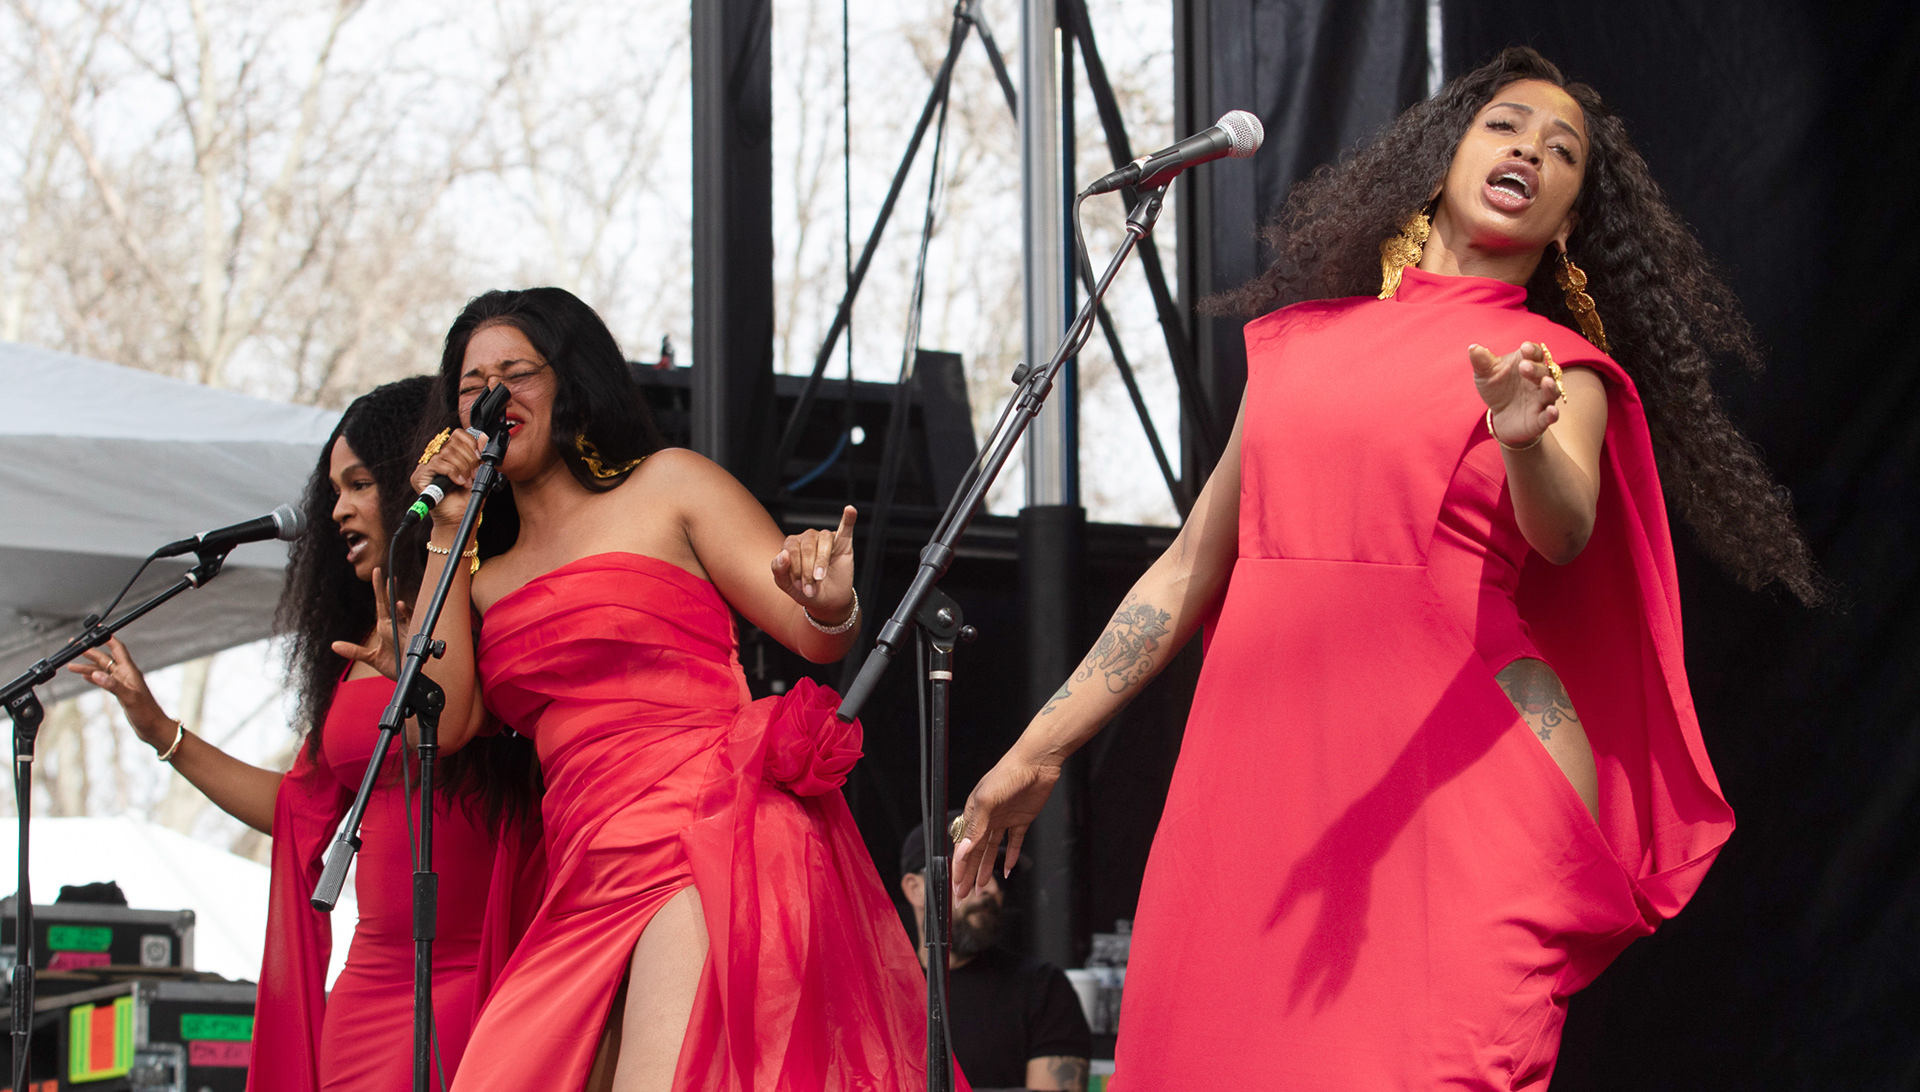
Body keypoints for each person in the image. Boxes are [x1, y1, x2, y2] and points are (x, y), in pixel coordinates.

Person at [951, 47, 1821, 1090]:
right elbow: (1190, 564)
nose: (1530, 152)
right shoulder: (1300, 349)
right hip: (1261, 788)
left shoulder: (1556, 370)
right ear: (1444, 153)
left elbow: (1566, 531)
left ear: (1571, 226)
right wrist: (1041, 746)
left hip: (1463, 786)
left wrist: (1524, 437)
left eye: (1562, 154)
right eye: (1505, 126)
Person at [403, 287, 928, 1092]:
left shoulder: (668, 487)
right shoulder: (480, 575)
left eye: (516, 373)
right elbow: (433, 725)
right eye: (472, 385)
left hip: (704, 832)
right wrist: (448, 532)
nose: (493, 396)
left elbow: (812, 629)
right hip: (583, 867)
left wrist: (831, 602)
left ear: (572, 381)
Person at [70, 377, 542, 1091]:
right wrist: (158, 728)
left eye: (357, 485)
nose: (338, 510)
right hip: (371, 978)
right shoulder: (359, 644)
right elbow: (302, 810)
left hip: (481, 970)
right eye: (333, 491)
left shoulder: (487, 598)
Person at [899, 814, 1091, 1092]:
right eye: (972, 871)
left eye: (997, 875)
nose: (991, 889)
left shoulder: (1042, 989)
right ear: (916, 889)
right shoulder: (877, 990)